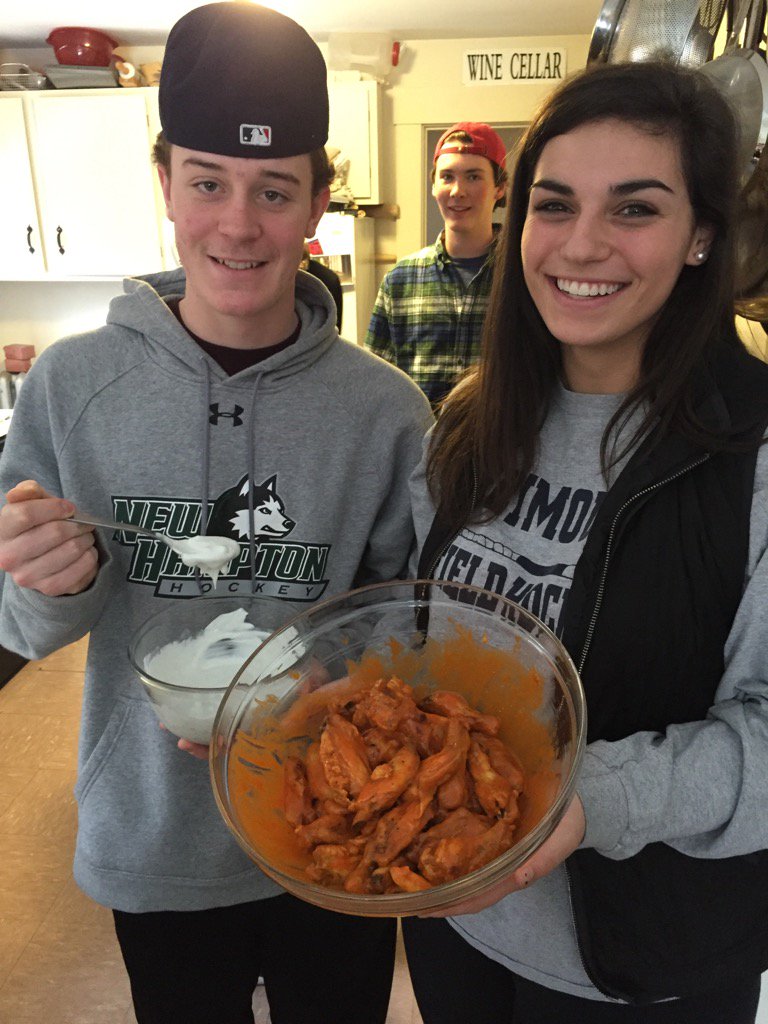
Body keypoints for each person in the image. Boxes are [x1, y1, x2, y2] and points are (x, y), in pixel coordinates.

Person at [0, 5, 432, 1024]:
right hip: (154, 837)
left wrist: (342, 684)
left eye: (274, 191)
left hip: (335, 829)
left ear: (317, 200)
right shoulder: (71, 385)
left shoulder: (384, 413)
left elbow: (407, 620)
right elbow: (26, 627)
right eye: (206, 183)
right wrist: (45, 579)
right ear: (165, 183)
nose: (237, 225)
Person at [404, 61, 768, 1023]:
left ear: (700, 237)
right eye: (554, 204)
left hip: (643, 962)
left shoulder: (754, 456)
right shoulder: (471, 423)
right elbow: (421, 631)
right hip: (455, 920)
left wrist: (584, 802)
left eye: (636, 209)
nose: (583, 244)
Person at [365, 122, 507, 407]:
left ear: (500, 188)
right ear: (433, 187)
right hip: (418, 449)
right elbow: (373, 383)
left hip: (505, 448)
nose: (457, 191)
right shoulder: (401, 280)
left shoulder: (523, 275)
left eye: (473, 177)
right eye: (447, 177)